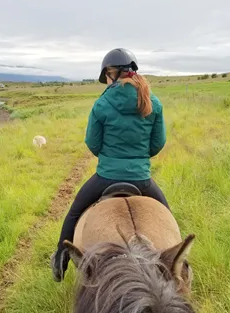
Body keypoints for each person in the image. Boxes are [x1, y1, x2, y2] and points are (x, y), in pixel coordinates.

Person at [50, 47, 170, 282]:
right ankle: (178, 265)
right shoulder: (152, 102)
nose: (106, 80)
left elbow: (92, 143)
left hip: (106, 176)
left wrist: (109, 157)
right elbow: (157, 144)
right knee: (167, 215)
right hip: (142, 179)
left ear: (112, 73)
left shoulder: (102, 103)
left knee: (74, 211)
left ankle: (61, 260)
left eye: (106, 76)